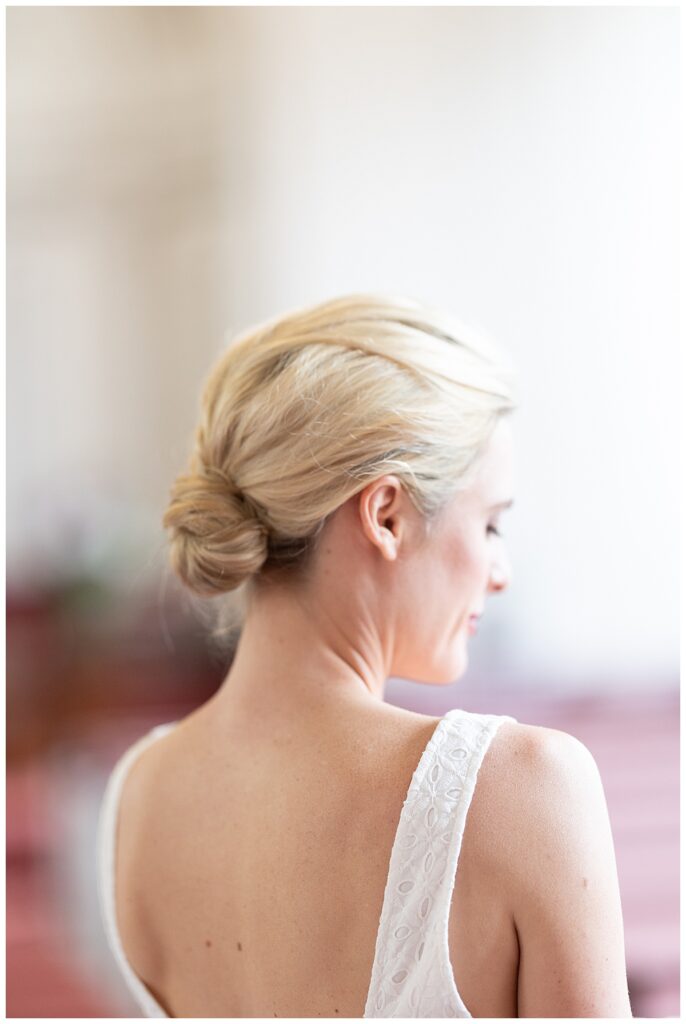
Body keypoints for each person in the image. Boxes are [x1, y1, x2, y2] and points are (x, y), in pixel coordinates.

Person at [96, 294, 632, 1018]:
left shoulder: (135, 795)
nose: (499, 571)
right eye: (491, 523)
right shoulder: (521, 789)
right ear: (386, 515)